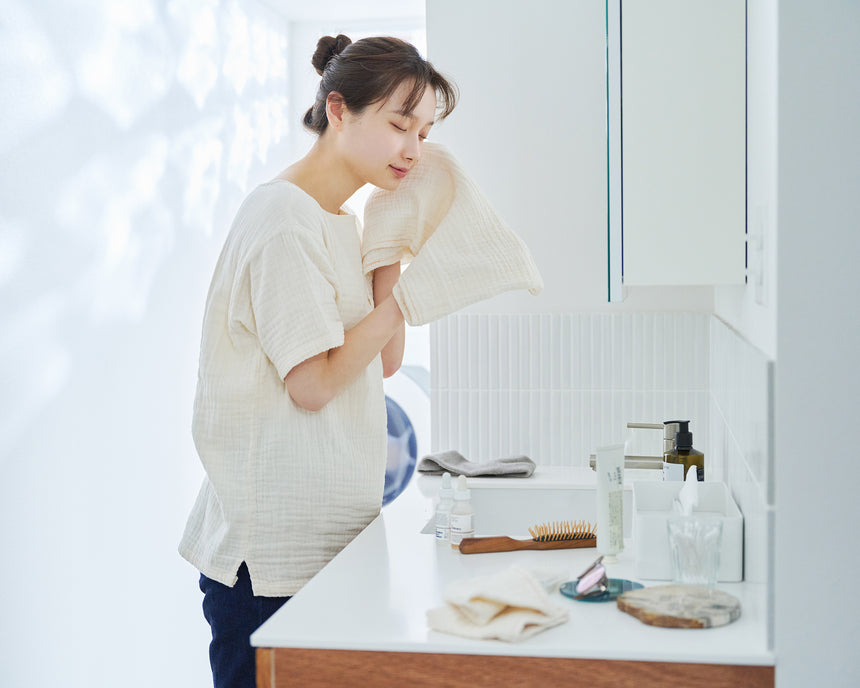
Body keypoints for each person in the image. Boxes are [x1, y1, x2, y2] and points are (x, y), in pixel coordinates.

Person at [178, 34, 457, 688]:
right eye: (398, 125)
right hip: (268, 567)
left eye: (424, 131)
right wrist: (407, 293)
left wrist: (390, 238)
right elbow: (313, 383)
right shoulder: (283, 219)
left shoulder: (338, 220)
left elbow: (383, 361)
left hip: (327, 557)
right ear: (339, 111)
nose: (413, 149)